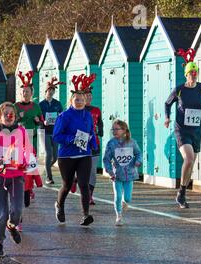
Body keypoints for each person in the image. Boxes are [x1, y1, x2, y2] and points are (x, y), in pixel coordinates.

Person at [165, 48, 201, 209]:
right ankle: (181, 191)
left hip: (196, 131)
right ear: (186, 74)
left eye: (195, 72)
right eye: (191, 72)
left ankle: (182, 193)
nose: (193, 75)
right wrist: (167, 118)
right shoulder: (180, 89)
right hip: (181, 130)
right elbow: (167, 103)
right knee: (189, 158)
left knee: (191, 164)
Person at [0, 102, 33, 258]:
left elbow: (29, 152)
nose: (9, 116)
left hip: (17, 176)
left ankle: (12, 226)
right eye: (6, 114)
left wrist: (26, 164)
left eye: (12, 114)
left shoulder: (22, 132)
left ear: (16, 116)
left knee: (17, 211)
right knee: (1, 212)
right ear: (0, 117)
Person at [53, 74, 97, 227]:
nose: (79, 102)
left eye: (82, 100)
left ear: (86, 101)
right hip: (67, 155)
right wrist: (72, 139)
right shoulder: (64, 116)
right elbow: (57, 136)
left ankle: (86, 215)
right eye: (77, 99)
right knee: (67, 184)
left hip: (84, 154)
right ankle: (59, 205)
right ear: (71, 101)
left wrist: (94, 145)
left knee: (84, 184)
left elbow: (91, 132)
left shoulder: (89, 115)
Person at [103, 120, 142, 226]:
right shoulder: (111, 143)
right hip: (117, 175)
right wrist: (110, 171)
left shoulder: (132, 142)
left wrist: (138, 161)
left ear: (124, 130)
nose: (114, 131)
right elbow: (106, 159)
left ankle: (124, 203)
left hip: (130, 174)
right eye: (113, 129)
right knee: (118, 196)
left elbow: (138, 153)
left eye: (117, 129)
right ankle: (118, 216)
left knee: (127, 198)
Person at [39, 77, 65, 185]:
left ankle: (46, 168)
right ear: (46, 91)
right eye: (49, 90)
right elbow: (38, 117)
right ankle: (49, 177)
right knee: (48, 154)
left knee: (55, 156)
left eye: (53, 90)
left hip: (54, 131)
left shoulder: (57, 103)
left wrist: (59, 117)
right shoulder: (41, 104)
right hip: (44, 131)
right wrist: (42, 121)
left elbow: (62, 115)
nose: (51, 92)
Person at [84, 74, 104, 205]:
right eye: (87, 96)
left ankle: (89, 195)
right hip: (81, 144)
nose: (89, 98)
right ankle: (74, 181)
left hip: (94, 144)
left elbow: (101, 125)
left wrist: (99, 131)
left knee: (92, 172)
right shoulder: (77, 110)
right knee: (81, 170)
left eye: (90, 95)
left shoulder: (96, 110)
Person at [15, 71, 44, 153]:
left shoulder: (36, 106)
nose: (25, 93)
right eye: (23, 91)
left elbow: (42, 122)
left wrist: (38, 121)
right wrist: (18, 118)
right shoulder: (15, 106)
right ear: (20, 93)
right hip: (18, 138)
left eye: (27, 91)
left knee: (31, 161)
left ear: (31, 93)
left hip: (32, 139)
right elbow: (10, 122)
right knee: (19, 161)